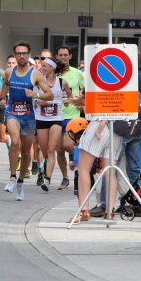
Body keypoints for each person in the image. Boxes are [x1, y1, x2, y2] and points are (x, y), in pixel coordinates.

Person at [1, 41, 53, 201]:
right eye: (19, 53)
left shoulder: (35, 74)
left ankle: (20, 181)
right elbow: (5, 85)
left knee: (25, 152)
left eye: (24, 53)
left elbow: (49, 94)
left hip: (29, 116)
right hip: (13, 113)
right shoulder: (9, 72)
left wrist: (35, 95)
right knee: (14, 142)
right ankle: (12, 176)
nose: (21, 56)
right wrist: (2, 98)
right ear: (15, 55)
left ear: (29, 55)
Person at [34, 57, 71, 191]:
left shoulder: (62, 82)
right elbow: (31, 96)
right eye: (42, 66)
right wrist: (38, 101)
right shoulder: (39, 81)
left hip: (56, 118)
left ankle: (47, 179)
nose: (42, 68)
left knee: (52, 149)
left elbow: (69, 95)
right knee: (45, 152)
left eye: (44, 66)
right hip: (41, 118)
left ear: (52, 68)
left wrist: (67, 101)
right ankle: (47, 170)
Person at [55, 45, 85, 190]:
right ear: (57, 56)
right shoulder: (53, 73)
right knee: (59, 149)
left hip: (72, 114)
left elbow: (84, 90)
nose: (63, 57)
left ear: (70, 56)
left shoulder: (77, 73)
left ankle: (73, 157)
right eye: (60, 55)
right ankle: (65, 178)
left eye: (65, 55)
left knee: (67, 145)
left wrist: (80, 102)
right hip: (55, 114)